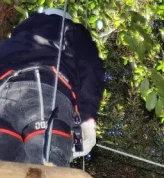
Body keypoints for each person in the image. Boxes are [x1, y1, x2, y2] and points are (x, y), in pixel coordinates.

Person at [0, 8, 104, 167]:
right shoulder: (73, 32)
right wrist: (87, 120)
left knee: (6, 174)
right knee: (48, 174)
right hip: (45, 91)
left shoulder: (13, 40)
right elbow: (90, 71)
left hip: (4, 95)